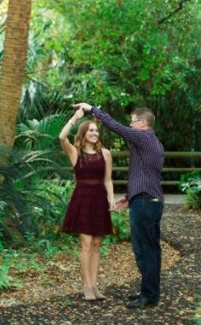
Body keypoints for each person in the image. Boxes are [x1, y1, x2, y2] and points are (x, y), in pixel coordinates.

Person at [73, 102, 164, 309]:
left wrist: (92, 109)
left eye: (132, 122)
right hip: (149, 200)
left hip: (145, 203)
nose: (130, 126)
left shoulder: (143, 136)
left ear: (142, 123)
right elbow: (146, 174)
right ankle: (150, 292)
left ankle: (149, 295)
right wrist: (130, 197)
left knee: (144, 250)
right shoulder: (154, 142)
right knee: (152, 249)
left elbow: (117, 127)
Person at [58, 106, 115, 301]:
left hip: (99, 199)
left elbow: (108, 180)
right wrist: (75, 117)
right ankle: (86, 287)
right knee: (86, 243)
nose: (95, 133)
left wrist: (111, 199)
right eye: (91, 130)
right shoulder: (75, 153)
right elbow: (61, 137)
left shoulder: (106, 154)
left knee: (97, 244)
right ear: (83, 133)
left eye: (96, 131)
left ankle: (94, 285)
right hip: (82, 199)